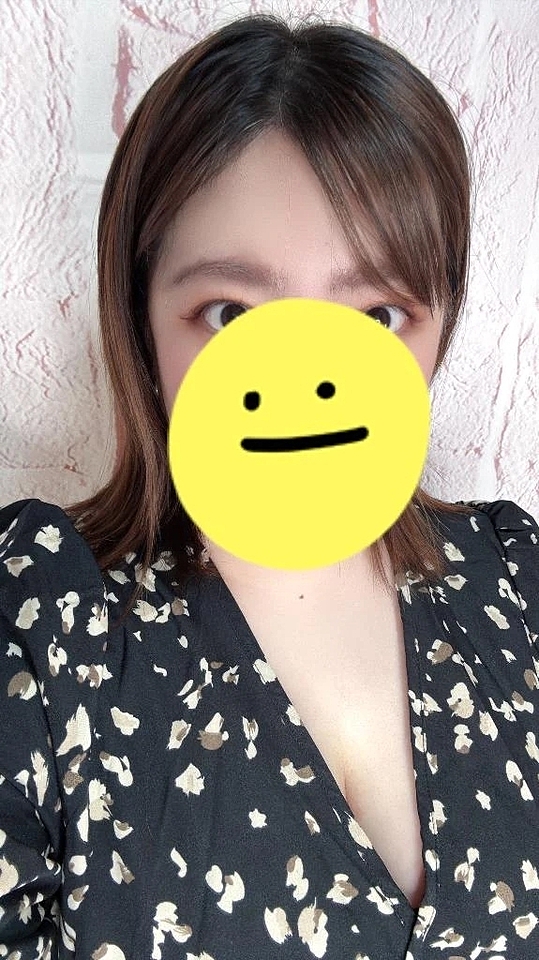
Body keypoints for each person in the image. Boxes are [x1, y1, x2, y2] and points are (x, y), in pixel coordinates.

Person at [1, 12, 538, 959]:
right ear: (140, 320)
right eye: (230, 313)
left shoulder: (514, 580)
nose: (302, 382)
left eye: (376, 316)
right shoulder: (41, 616)